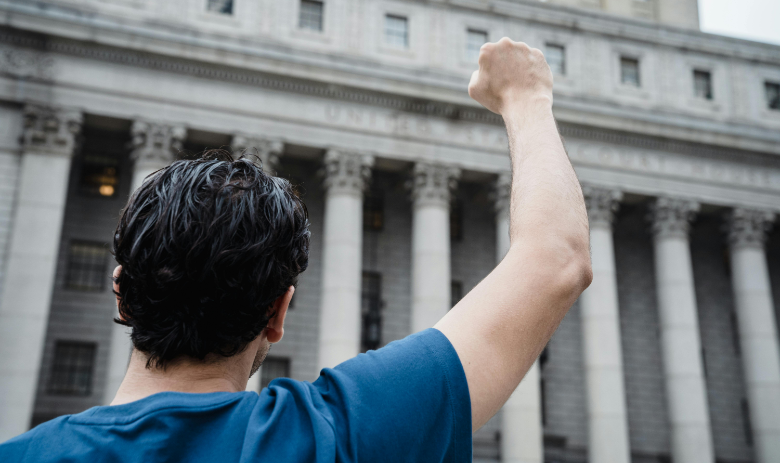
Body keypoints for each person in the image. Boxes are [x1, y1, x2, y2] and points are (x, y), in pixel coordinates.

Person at [0, 38, 591, 462]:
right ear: (278, 313)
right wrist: (526, 94)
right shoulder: (338, 434)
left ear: (122, 291)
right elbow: (556, 257)